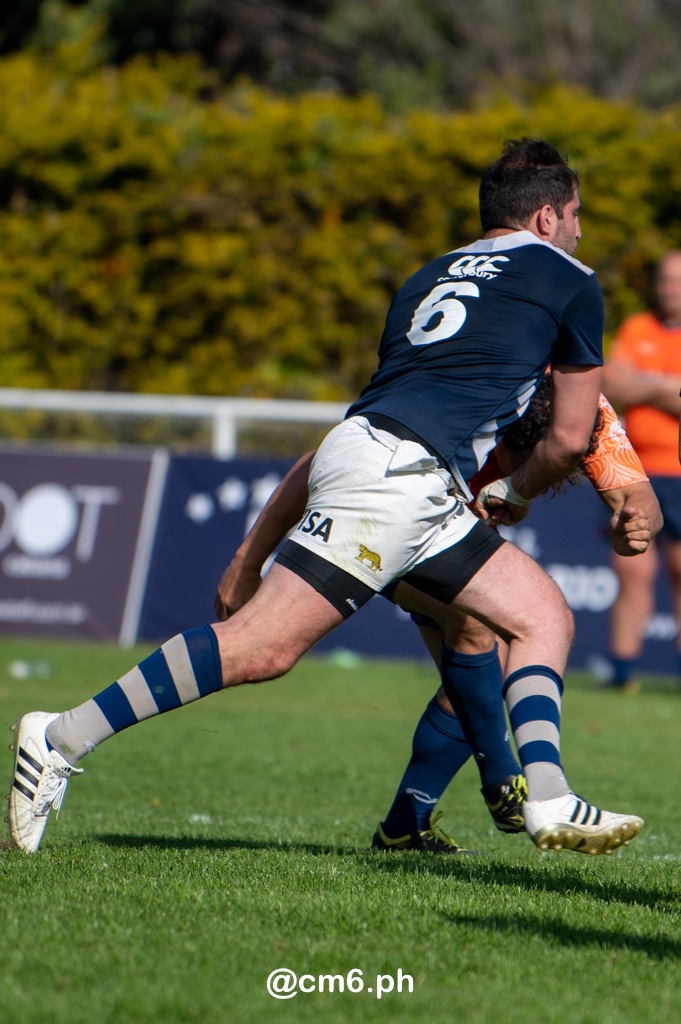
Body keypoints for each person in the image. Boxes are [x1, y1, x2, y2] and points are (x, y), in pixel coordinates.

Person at [7, 138, 645, 858]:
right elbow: (568, 435)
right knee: (260, 649)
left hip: (392, 464)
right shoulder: (567, 277)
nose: (579, 231)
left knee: (539, 614)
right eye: (574, 215)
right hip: (399, 478)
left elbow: (371, 419)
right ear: (544, 219)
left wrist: (250, 555)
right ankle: (60, 736)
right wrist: (514, 494)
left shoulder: (426, 279)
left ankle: (547, 798)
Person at [214, 385, 660, 853]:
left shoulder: (587, 413)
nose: (538, 481)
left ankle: (407, 824)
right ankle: (504, 782)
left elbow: (640, 499)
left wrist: (636, 525)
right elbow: (316, 460)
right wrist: (247, 560)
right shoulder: (477, 396)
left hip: (445, 543)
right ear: (505, 438)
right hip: (378, 522)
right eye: (530, 467)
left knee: (475, 675)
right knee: (476, 630)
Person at [603, 251, 681, 691]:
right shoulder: (636, 327)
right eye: (665, 280)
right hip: (635, 470)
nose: (670, 288)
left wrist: (643, 386)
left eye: (678, 281)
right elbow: (612, 386)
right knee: (631, 570)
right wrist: (667, 387)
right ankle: (621, 674)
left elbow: (633, 386)